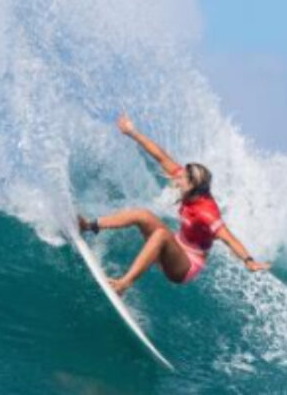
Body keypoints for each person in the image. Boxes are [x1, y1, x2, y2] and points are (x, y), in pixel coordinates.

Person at [78, 113, 270, 294]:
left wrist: (249, 260)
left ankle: (124, 284)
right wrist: (132, 132)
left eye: (182, 178)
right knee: (142, 215)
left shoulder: (207, 213)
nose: (177, 179)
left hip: (185, 267)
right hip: (174, 248)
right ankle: (88, 225)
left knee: (161, 234)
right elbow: (161, 156)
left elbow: (230, 239)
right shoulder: (189, 188)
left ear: (193, 185)